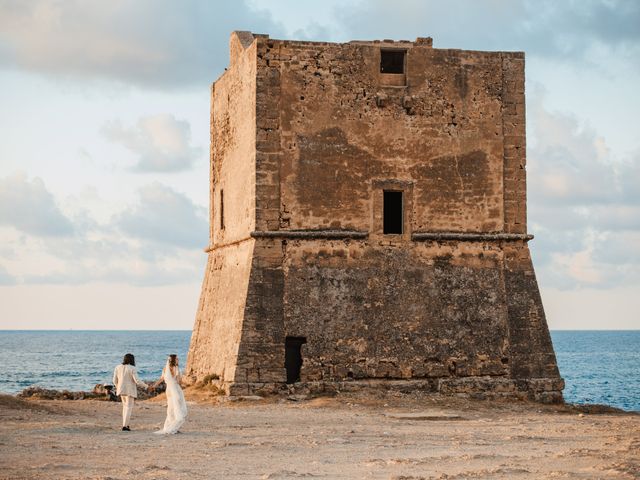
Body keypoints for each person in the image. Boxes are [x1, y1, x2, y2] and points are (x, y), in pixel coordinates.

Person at [112, 353, 148, 431]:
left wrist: (118, 387)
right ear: (132, 360)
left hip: (121, 390)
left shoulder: (117, 367)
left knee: (125, 408)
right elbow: (137, 381)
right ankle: (125, 426)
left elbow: (114, 381)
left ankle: (126, 425)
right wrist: (146, 386)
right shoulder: (132, 368)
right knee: (128, 408)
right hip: (130, 390)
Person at [153, 354, 187, 435]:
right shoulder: (176, 368)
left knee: (171, 409)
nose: (178, 359)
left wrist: (154, 386)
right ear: (174, 360)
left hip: (168, 390)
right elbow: (179, 381)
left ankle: (169, 427)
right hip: (175, 389)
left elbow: (161, 379)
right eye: (177, 359)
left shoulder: (165, 369)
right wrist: (182, 385)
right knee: (179, 408)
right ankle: (174, 428)